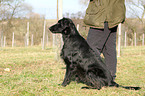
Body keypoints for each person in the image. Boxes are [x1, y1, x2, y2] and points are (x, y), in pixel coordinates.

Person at [83, 0, 126, 80]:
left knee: (91, 48)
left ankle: (95, 78)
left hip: (102, 15)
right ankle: (109, 78)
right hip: (113, 13)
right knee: (108, 48)